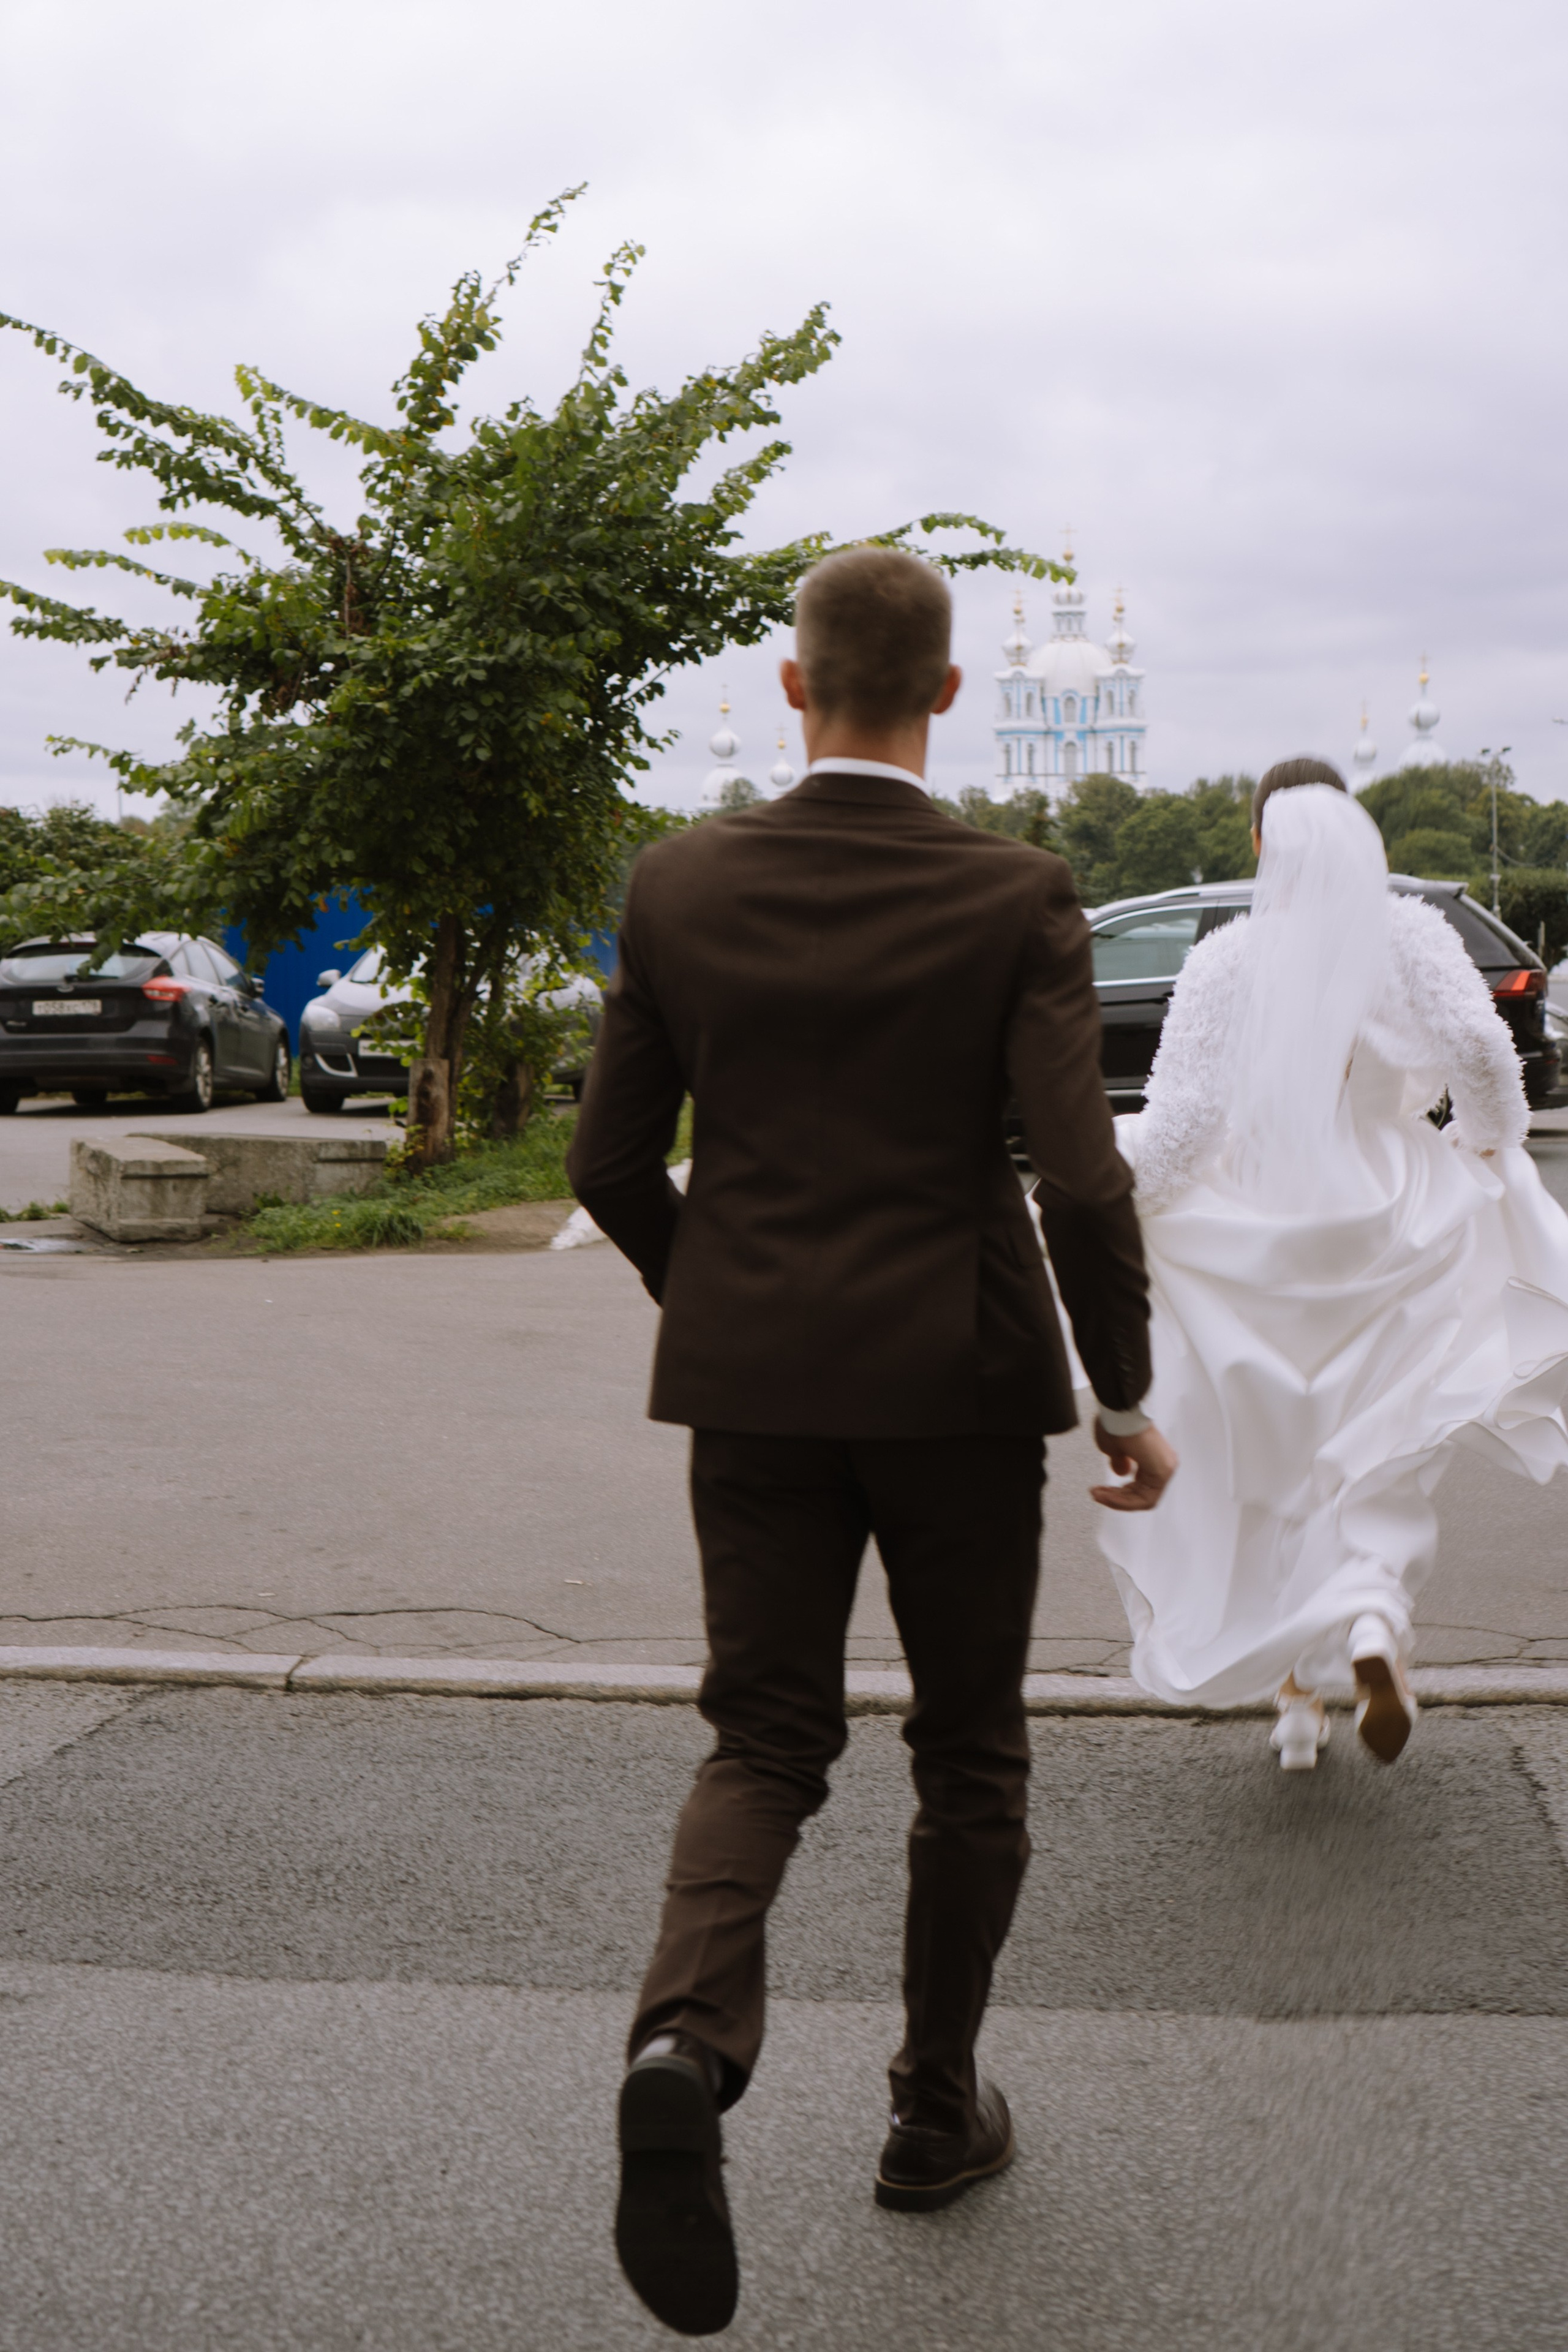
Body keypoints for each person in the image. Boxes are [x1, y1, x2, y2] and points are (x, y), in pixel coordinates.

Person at [567, 546, 1175, 2337]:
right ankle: (931, 2115)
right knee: (971, 1753)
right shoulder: (1020, 893)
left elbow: (607, 1165)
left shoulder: (675, 885)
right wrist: (1123, 1396)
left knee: (764, 1734)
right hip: (963, 1388)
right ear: (951, 698)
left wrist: (728, 1303)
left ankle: (685, 2038)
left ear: (790, 684)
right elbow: (1078, 1174)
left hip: (753, 1384)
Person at [1098, 760, 1568, 1772]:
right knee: (1385, 1444)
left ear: (1261, 844)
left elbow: (1181, 1126)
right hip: (1398, 1222)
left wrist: (1107, 1188)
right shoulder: (1414, 939)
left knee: (1272, 1466)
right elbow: (1486, 1058)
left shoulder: (1229, 958)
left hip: (1261, 1237)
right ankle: (1366, 1618)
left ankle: (1297, 1705)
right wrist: (1491, 1144)